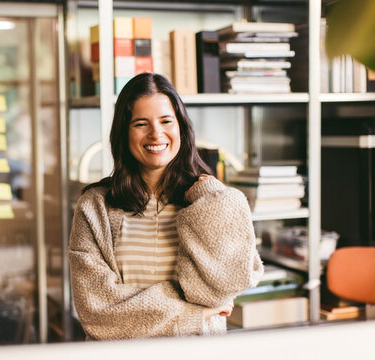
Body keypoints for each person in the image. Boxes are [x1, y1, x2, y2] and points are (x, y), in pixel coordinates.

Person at [68, 73, 263, 340]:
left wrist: (211, 193)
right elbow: (97, 312)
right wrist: (195, 311)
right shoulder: (95, 206)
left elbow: (225, 286)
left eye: (166, 121)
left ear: (181, 127)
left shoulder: (212, 203)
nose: (156, 133)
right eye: (140, 123)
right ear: (124, 132)